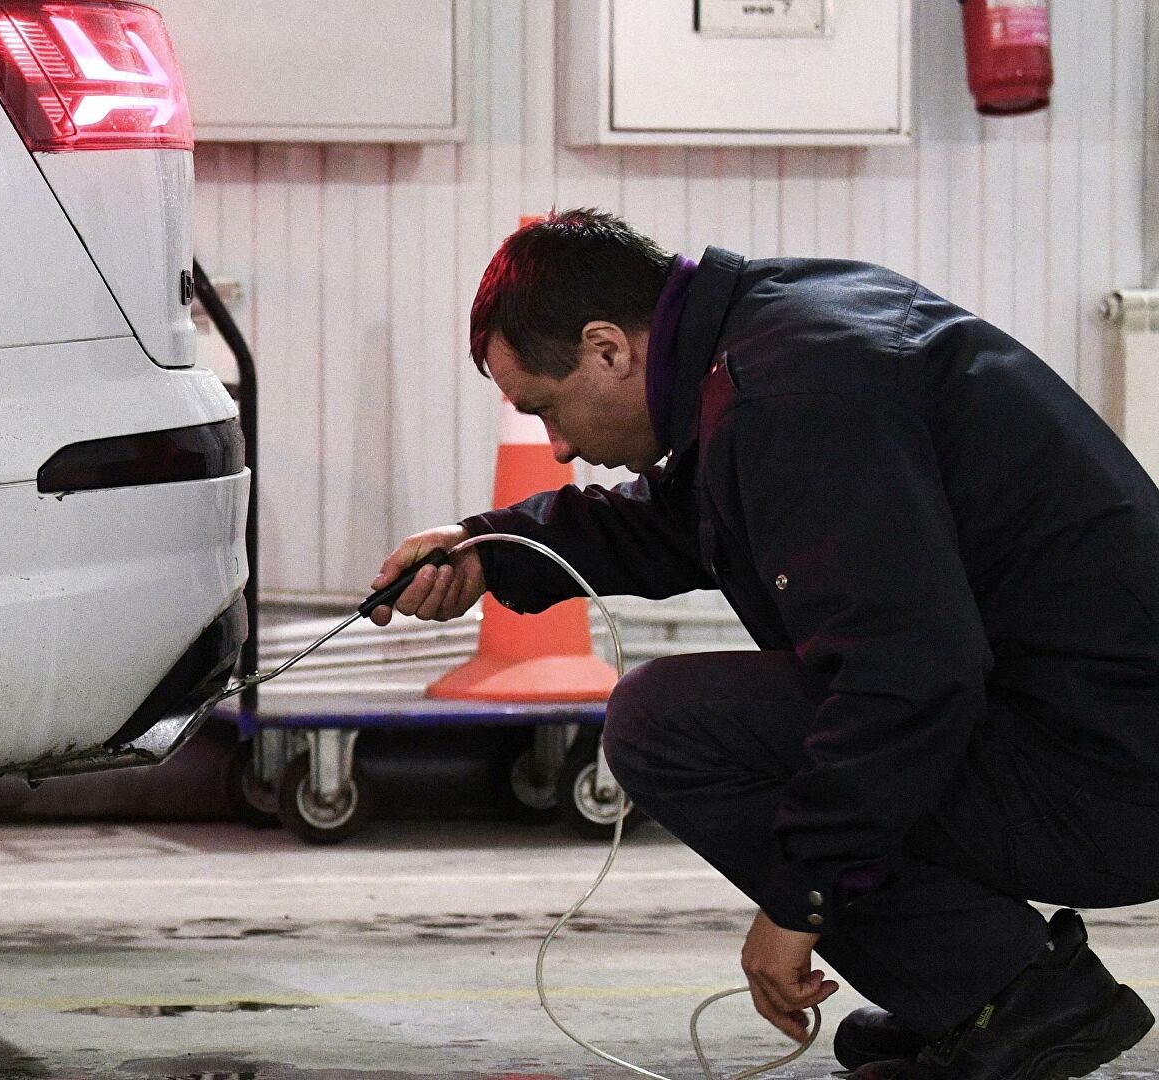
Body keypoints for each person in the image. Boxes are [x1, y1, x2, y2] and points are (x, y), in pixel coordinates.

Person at [371, 209, 1157, 1080]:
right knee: (726, 717)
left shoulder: (792, 398)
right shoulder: (778, 337)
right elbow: (685, 518)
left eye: (546, 410)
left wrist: (798, 899)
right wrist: (493, 547)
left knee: (668, 725)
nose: (556, 449)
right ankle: (976, 988)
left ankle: (1018, 998)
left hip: (1108, 782)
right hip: (1096, 737)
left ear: (607, 348)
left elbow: (906, 676)